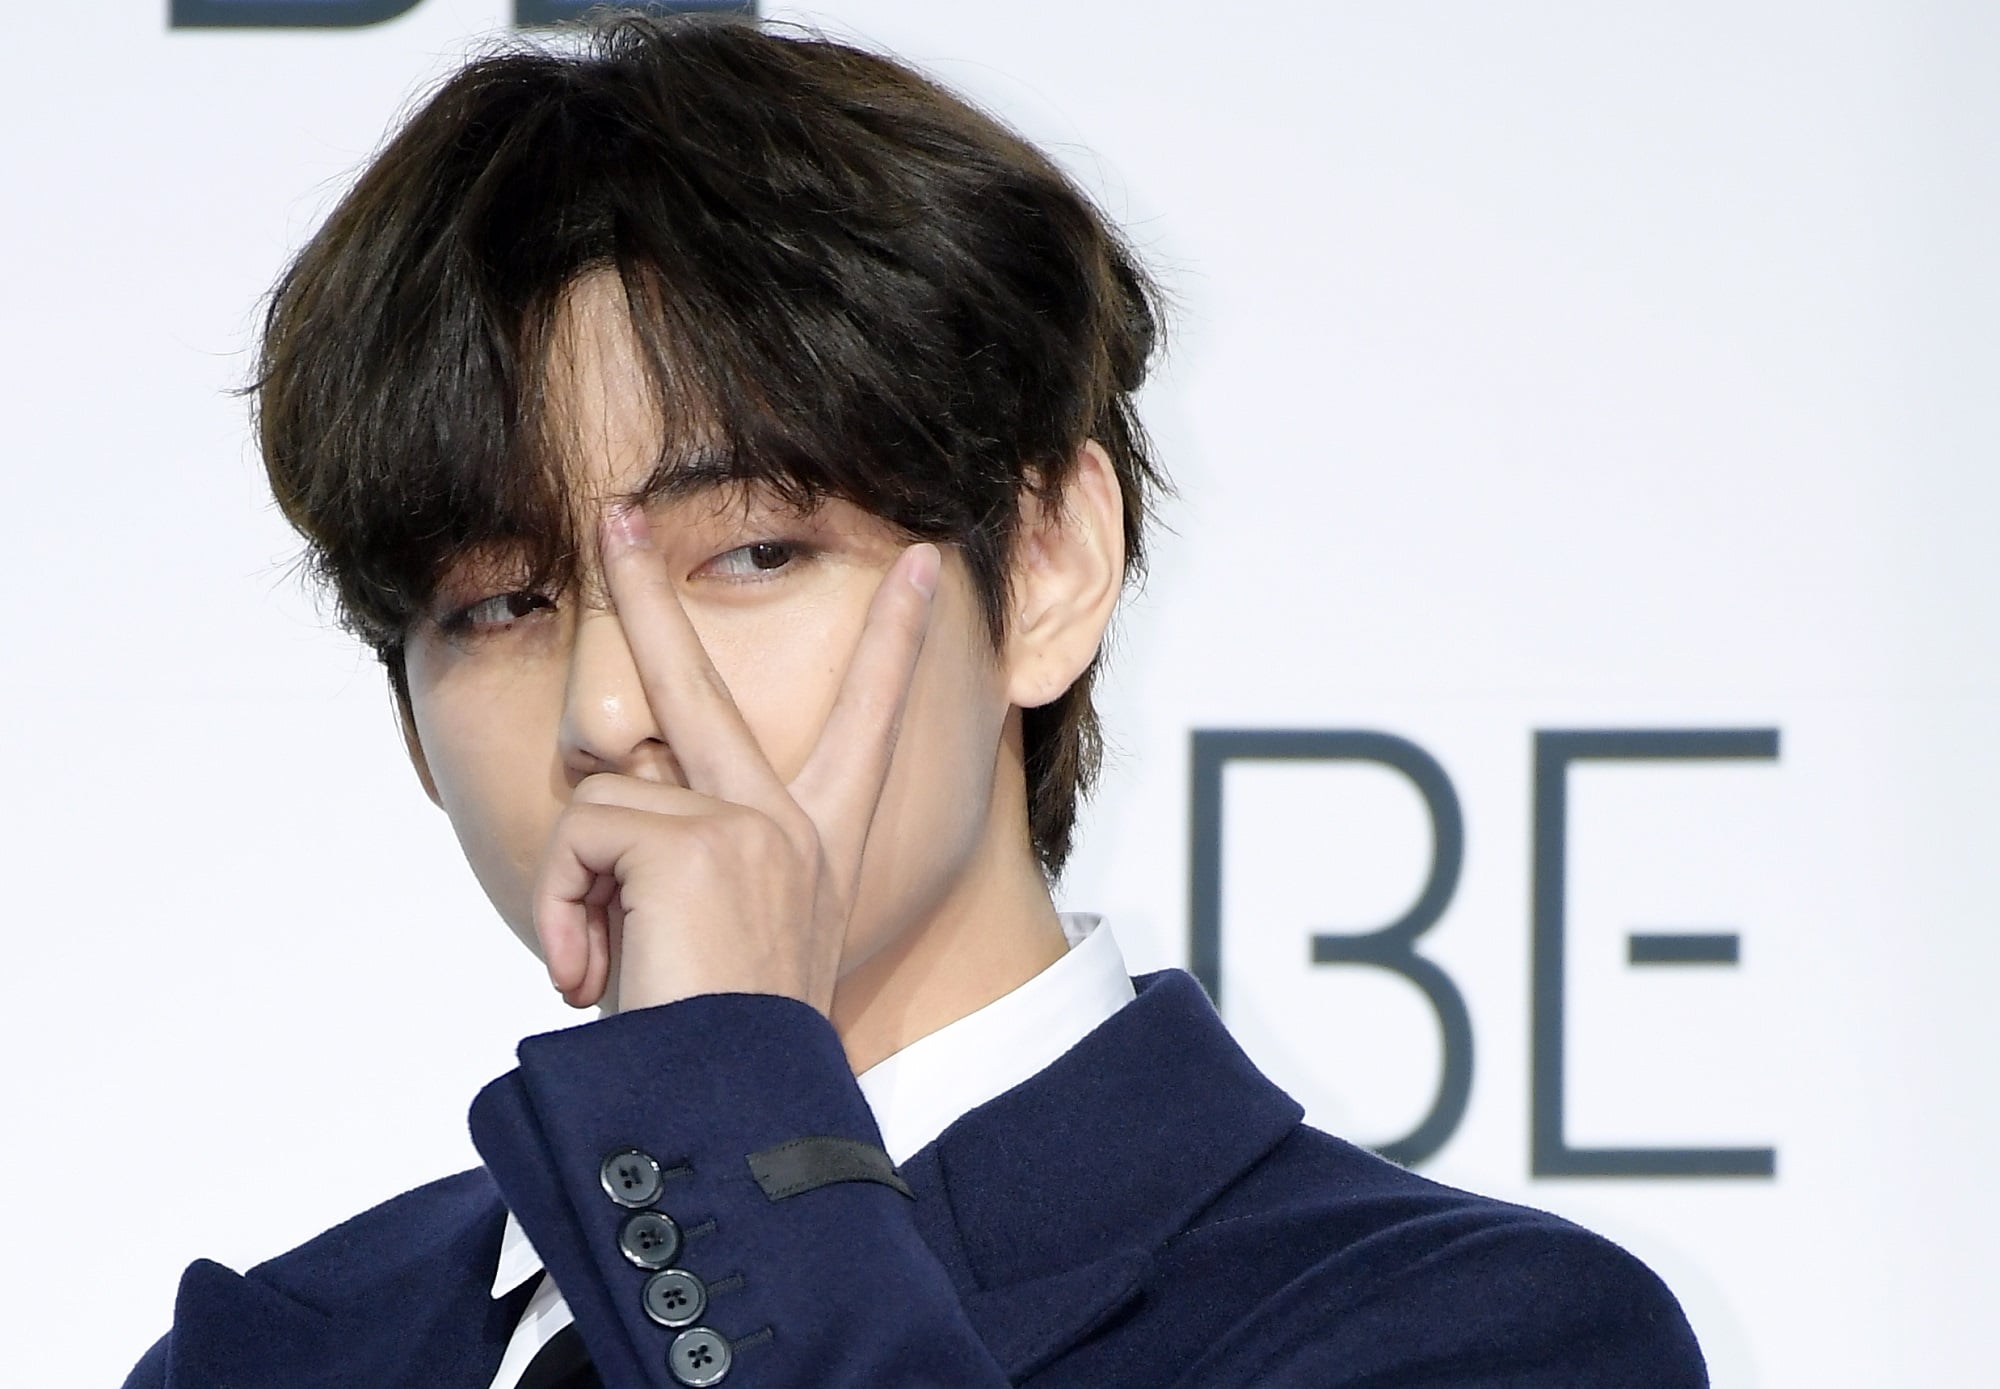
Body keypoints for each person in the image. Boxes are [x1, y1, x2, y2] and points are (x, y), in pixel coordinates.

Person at [125, 14, 1707, 1389]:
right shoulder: (269, 1357)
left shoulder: (1471, 1333)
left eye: (752, 552)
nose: (606, 706)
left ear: (1050, 564)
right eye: (498, 604)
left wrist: (723, 1109)